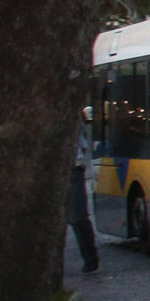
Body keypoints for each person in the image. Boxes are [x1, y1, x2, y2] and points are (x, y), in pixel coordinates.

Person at [65, 112, 99, 273]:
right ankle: (90, 260)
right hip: (72, 169)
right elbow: (84, 145)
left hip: (72, 169)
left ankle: (90, 260)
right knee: (78, 217)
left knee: (78, 218)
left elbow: (83, 144)